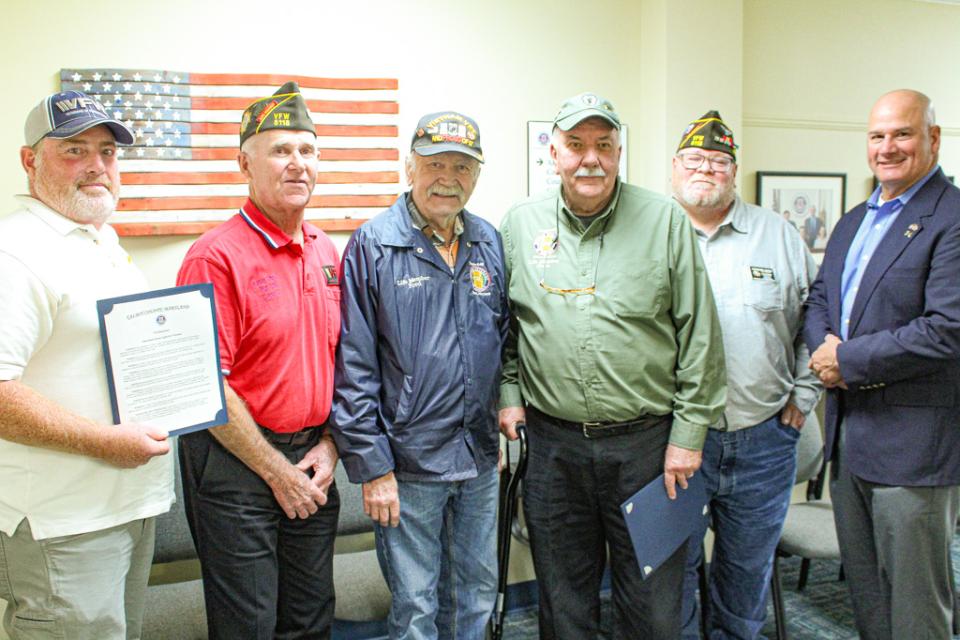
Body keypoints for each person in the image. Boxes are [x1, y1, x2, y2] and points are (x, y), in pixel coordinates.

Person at [498, 92, 726, 639]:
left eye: (603, 145)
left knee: (652, 604)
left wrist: (689, 434)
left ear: (620, 152)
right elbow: (503, 329)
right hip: (554, 450)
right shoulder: (519, 227)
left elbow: (701, 336)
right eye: (575, 145)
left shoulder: (664, 221)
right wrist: (510, 396)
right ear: (552, 153)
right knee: (564, 600)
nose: (589, 158)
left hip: (649, 450)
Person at [0, 90, 173, 639]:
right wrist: (105, 443)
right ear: (31, 161)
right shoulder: (16, 252)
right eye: (74, 150)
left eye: (107, 152)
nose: (97, 166)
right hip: (64, 522)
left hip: (125, 508)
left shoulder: (99, 240)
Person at [331, 111, 507, 640]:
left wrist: (493, 427)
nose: (447, 177)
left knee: (476, 593)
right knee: (415, 608)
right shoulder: (373, 244)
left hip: (476, 460)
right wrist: (373, 468)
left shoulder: (487, 241)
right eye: (434, 164)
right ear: (409, 167)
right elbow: (354, 367)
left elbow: (502, 341)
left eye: (461, 166)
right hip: (407, 466)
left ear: (476, 175)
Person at [176, 81, 341, 640]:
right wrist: (276, 472)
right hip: (236, 463)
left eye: (308, 150)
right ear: (245, 163)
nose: (298, 164)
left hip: (311, 458)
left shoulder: (324, 249)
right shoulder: (214, 256)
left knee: (311, 618)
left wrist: (331, 445)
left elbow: (346, 361)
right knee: (248, 625)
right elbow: (204, 384)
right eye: (280, 150)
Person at [806, 89, 960, 640]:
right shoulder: (854, 221)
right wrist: (822, 349)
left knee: (917, 611)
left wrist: (844, 359)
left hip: (913, 453)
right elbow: (820, 298)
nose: (887, 147)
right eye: (877, 135)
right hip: (850, 443)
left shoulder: (951, 218)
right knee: (868, 602)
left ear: (933, 139)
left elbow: (948, 329)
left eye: (902, 134)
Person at [670, 110, 820, 639]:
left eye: (718, 160)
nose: (706, 169)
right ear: (674, 168)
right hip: (675, 445)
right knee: (672, 572)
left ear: (734, 172)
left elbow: (817, 321)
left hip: (763, 441)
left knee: (746, 573)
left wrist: (805, 395)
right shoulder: (651, 232)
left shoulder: (779, 236)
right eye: (695, 158)